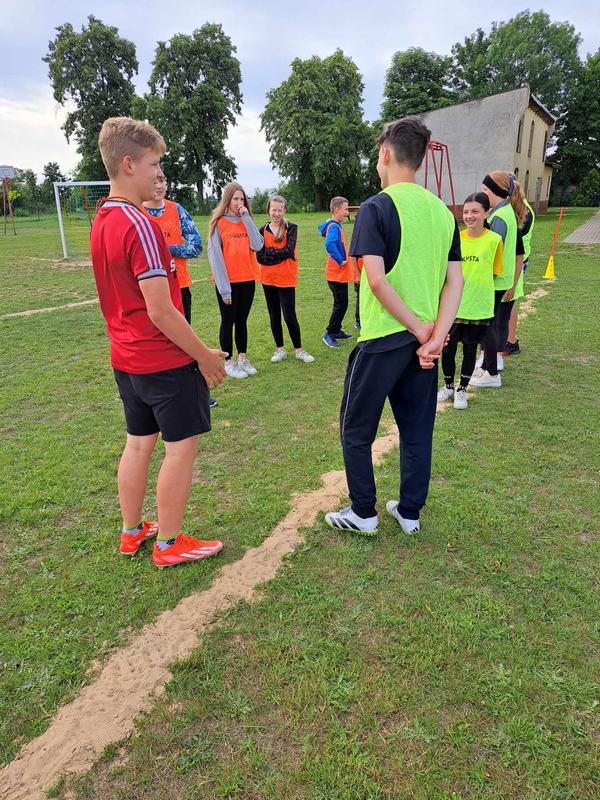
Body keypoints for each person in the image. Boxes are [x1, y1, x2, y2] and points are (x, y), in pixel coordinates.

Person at [90, 117, 226, 568]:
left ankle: (132, 531)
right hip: (163, 363)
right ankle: (168, 543)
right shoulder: (141, 224)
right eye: (154, 164)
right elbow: (161, 309)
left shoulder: (102, 219)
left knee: (137, 443)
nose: (159, 174)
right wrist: (204, 356)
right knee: (180, 448)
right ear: (129, 164)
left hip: (126, 360)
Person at [324, 116, 463, 537]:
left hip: (384, 339)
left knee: (355, 427)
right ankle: (409, 512)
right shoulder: (443, 212)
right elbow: (455, 281)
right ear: (419, 159)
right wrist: (435, 336)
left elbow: (376, 280)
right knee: (417, 430)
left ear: (385, 153)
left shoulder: (376, 207)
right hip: (423, 345)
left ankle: (363, 512)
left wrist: (423, 332)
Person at [143, 176, 218, 409]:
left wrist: (165, 249)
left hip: (179, 286)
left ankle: (195, 392)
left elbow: (195, 247)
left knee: (184, 342)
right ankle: (158, 396)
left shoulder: (177, 210)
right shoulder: (136, 213)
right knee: (155, 345)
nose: (158, 186)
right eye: (154, 181)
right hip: (148, 291)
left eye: (162, 181)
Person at [437, 193, 503, 410]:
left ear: (486, 213)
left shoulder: (495, 240)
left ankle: (462, 390)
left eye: (475, 211)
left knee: (469, 349)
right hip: (452, 306)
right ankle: (448, 387)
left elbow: (494, 272)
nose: (469, 216)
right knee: (447, 350)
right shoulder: (455, 238)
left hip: (478, 306)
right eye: (466, 211)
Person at [470, 171, 526, 388]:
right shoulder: (505, 212)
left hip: (495, 281)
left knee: (489, 327)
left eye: (486, 189)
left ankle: (491, 373)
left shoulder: (500, 217)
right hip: (501, 280)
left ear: (496, 191)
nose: (483, 193)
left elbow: (492, 252)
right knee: (491, 326)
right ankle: (488, 368)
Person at [207, 182, 263, 379]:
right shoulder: (218, 223)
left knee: (242, 321)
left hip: (247, 279)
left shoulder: (246, 220)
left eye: (242, 199)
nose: (239, 202)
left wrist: (246, 218)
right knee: (228, 321)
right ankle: (229, 362)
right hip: (228, 283)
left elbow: (258, 245)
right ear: (227, 200)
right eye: (235, 199)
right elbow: (215, 257)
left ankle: (243, 359)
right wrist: (224, 289)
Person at [256, 195, 315, 364]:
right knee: (274, 315)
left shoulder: (291, 228)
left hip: (286, 278)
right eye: (274, 210)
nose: (276, 213)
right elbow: (260, 257)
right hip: (268, 279)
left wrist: (270, 253)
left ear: (284, 211)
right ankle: (280, 350)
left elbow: (289, 251)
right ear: (268, 210)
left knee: (289, 315)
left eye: (280, 210)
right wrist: (277, 255)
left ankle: (299, 350)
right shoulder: (262, 230)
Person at [318, 197, 355, 348]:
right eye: (345, 209)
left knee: (342, 303)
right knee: (340, 304)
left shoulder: (334, 225)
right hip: (336, 275)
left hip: (338, 275)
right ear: (336, 210)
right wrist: (340, 260)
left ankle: (337, 330)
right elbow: (330, 244)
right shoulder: (333, 227)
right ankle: (330, 333)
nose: (347, 213)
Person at [505, 196, 535, 355]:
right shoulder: (517, 207)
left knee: (508, 303)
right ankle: (510, 339)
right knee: (507, 303)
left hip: (516, 262)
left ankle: (511, 342)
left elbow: (515, 236)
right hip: (514, 261)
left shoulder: (524, 210)